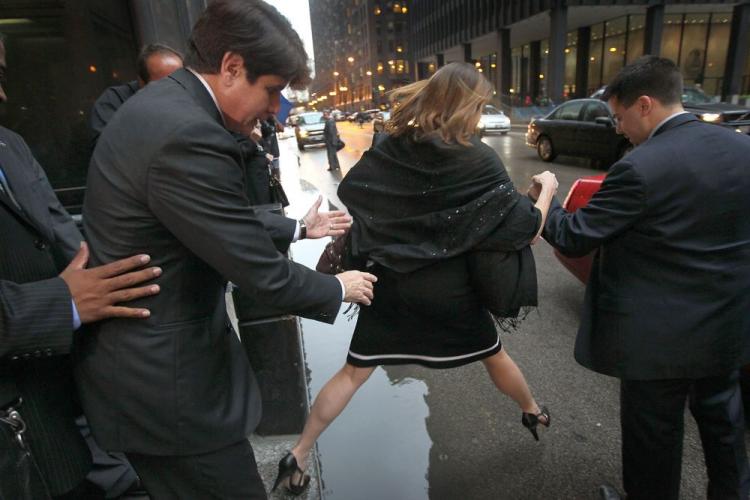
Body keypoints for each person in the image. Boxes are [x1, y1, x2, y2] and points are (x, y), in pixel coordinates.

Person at [75, 1, 377, 498]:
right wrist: (335, 285)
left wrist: (297, 230)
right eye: (273, 90)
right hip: (170, 393)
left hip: (150, 378)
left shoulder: (165, 109)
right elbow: (264, 276)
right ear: (232, 67)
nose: (276, 109)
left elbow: (205, 222)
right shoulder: (189, 132)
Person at [272, 62, 558, 495]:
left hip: (389, 287)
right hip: (451, 293)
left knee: (353, 373)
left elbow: (353, 193)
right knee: (494, 356)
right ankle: (532, 410)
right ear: (467, 105)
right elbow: (524, 227)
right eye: (479, 105)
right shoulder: (476, 157)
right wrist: (549, 188)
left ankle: (299, 452)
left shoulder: (392, 148)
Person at [538, 56, 750, 500]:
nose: (618, 129)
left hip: (658, 341)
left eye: (619, 117)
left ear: (645, 105)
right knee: (724, 424)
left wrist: (549, 198)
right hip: (728, 323)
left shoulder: (640, 167)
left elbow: (574, 236)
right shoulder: (741, 149)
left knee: (653, 437)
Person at [0, 34, 161, 499]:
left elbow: (62, 239)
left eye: (4, 76)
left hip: (62, 427)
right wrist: (62, 302)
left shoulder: (9, 145)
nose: (4, 95)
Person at [89, 43, 183, 147]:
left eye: (179, 82)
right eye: (163, 84)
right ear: (142, 82)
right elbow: (107, 149)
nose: (173, 90)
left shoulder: (188, 97)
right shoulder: (114, 101)